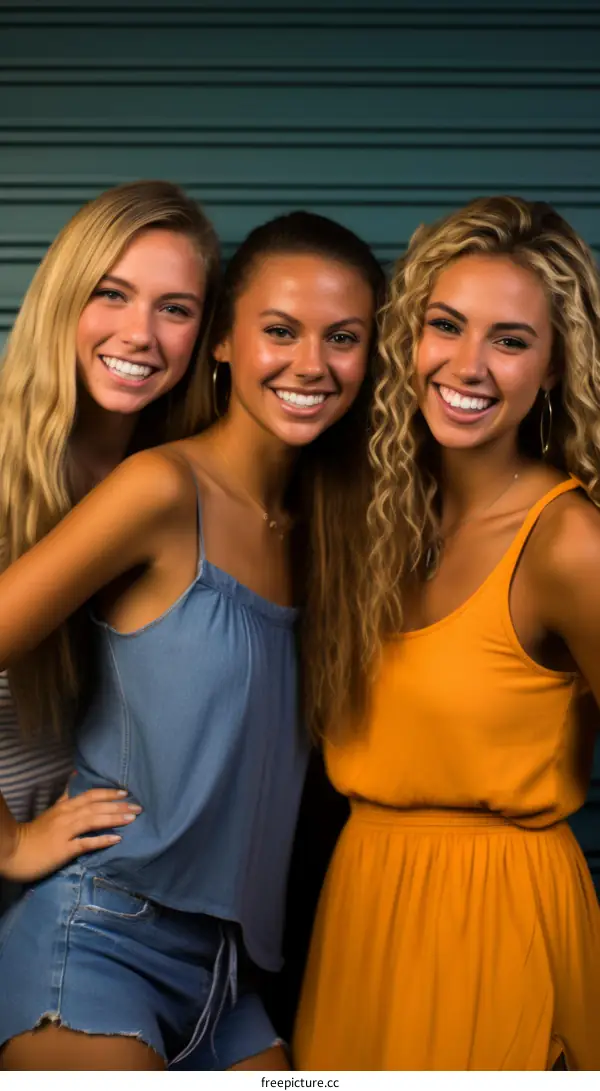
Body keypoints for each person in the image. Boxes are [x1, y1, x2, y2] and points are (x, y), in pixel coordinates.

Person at [0, 210, 384, 1071]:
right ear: (222, 343)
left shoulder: (325, 526)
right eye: (279, 330)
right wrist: (11, 841)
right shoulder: (160, 488)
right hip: (99, 941)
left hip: (232, 979)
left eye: (344, 338)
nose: (311, 364)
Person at [293, 196, 600, 1071]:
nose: (467, 365)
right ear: (409, 339)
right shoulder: (370, 515)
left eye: (510, 340)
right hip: (360, 917)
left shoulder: (568, 542)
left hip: (503, 928)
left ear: (553, 368)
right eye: (446, 326)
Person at [0, 180, 220, 915]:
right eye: (112, 294)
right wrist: (10, 843)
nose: (140, 334)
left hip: (82, 888)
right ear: (64, 298)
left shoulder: (178, 480)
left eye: (175, 309)